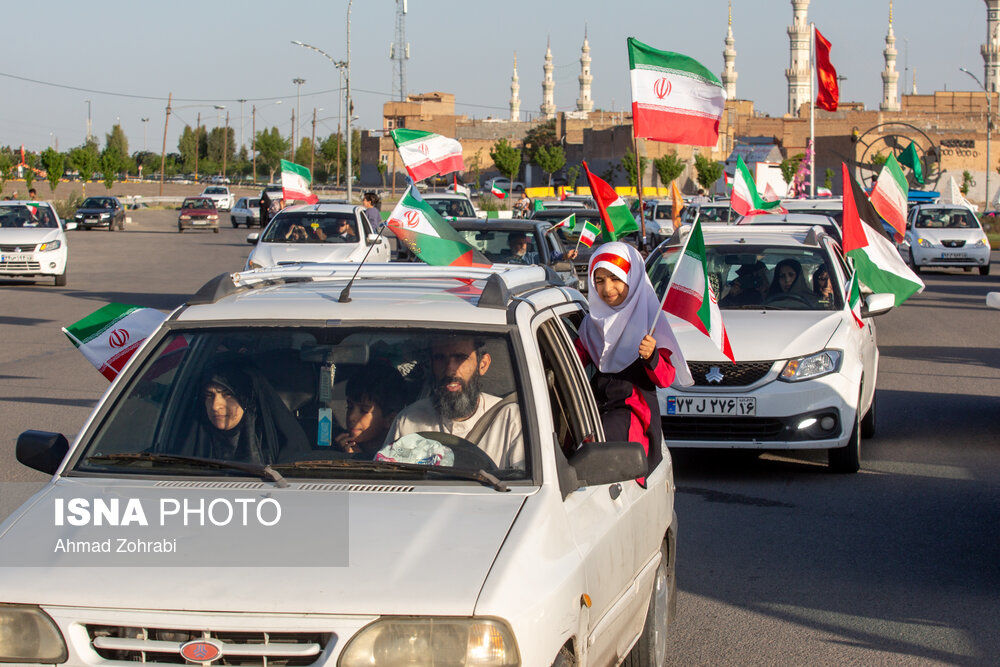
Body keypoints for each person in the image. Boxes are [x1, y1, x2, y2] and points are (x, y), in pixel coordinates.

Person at [575, 243, 691, 481]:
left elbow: (666, 378)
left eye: (615, 278)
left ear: (632, 277)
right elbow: (574, 359)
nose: (607, 289)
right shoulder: (591, 323)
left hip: (632, 416)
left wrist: (652, 355)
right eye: (599, 280)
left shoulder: (651, 319)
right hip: (592, 411)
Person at [386, 336, 523, 469]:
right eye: (440, 358)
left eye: (460, 358)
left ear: (483, 364)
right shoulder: (409, 421)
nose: (450, 370)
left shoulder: (510, 419)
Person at [175, 359, 309, 465]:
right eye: (209, 396)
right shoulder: (189, 445)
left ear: (247, 400)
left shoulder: (284, 448)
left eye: (227, 395)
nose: (215, 406)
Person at [335, 361, 406, 459]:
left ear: (390, 420)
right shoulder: (337, 448)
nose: (351, 417)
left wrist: (359, 459)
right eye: (350, 407)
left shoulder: (401, 457)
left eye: (364, 410)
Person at [502, 231, 577, 265]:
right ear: (510, 244)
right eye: (519, 243)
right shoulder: (499, 260)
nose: (523, 246)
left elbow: (550, 256)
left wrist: (564, 256)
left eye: (524, 243)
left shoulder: (532, 257)